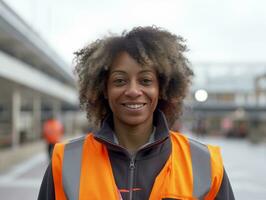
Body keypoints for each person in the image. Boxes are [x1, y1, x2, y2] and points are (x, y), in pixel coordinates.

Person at [38, 26, 234, 200]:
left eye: (146, 80)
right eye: (120, 81)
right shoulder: (65, 162)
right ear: (104, 89)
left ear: (162, 88)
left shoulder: (205, 164)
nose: (133, 91)